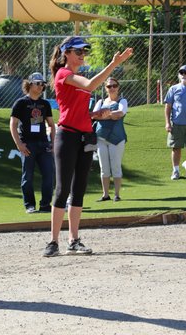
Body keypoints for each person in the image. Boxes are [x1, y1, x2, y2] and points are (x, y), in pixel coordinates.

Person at [43, 36, 133, 257]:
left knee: (79, 189)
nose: (82, 55)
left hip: (86, 136)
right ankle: (53, 242)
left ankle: (74, 240)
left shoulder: (77, 76)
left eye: (84, 52)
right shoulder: (64, 74)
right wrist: (114, 64)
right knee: (63, 189)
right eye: (78, 51)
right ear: (67, 54)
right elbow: (92, 85)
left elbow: (79, 110)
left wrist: (95, 115)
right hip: (67, 136)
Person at [10, 72, 56, 214]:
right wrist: (19, 144)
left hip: (43, 144)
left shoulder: (45, 104)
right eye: (38, 83)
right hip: (28, 144)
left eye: (43, 84)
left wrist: (53, 143)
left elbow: (51, 125)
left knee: (49, 175)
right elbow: (12, 124)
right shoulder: (20, 103)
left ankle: (45, 205)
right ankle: (29, 205)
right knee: (27, 177)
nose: (41, 86)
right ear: (29, 84)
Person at [93, 77, 127, 202]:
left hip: (116, 138)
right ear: (105, 88)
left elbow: (120, 114)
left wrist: (105, 115)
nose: (112, 88)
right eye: (109, 86)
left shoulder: (122, 101)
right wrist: (110, 115)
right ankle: (105, 194)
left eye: (114, 86)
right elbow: (95, 115)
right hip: (101, 138)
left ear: (118, 87)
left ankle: (117, 195)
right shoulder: (101, 102)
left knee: (116, 166)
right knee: (104, 168)